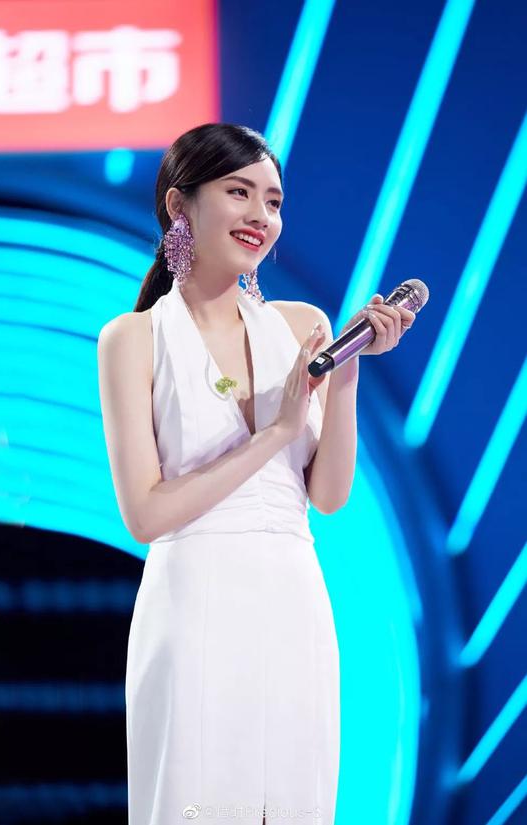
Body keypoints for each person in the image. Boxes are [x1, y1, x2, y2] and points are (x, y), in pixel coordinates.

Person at [97, 122, 415, 825]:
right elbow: (146, 514)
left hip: (294, 602)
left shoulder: (301, 326)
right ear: (180, 205)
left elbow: (328, 496)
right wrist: (275, 432)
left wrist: (347, 370)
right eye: (239, 193)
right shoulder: (133, 338)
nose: (260, 216)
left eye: (273, 201)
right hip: (193, 603)